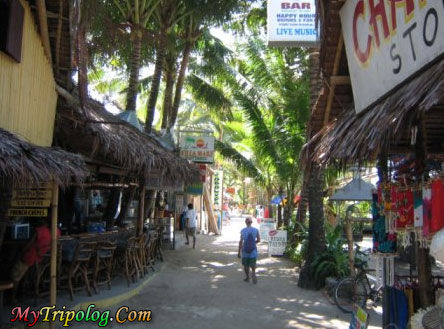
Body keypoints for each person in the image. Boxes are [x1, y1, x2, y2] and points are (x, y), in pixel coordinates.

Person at [10, 218, 60, 302]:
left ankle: (12, 297)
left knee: (15, 275)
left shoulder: (40, 231)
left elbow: (28, 245)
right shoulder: (56, 231)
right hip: (45, 259)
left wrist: (22, 251)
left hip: (31, 257)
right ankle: (21, 292)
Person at [238, 217, 260, 284]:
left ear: (246, 222)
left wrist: (239, 251)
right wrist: (253, 243)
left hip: (245, 249)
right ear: (251, 222)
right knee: (253, 262)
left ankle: (247, 277)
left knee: (246, 265)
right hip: (253, 249)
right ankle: (253, 272)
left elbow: (241, 242)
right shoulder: (256, 230)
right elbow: (259, 240)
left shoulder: (243, 231)